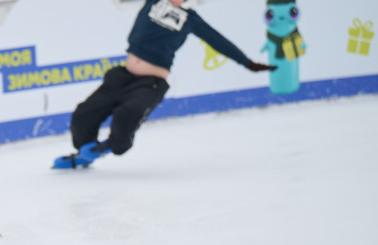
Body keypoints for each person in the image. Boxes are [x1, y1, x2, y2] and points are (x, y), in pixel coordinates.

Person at [54, 0, 276, 169]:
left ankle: (109, 147)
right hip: (122, 76)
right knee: (83, 115)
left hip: (150, 83)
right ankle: (84, 154)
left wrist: (248, 63)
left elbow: (219, 42)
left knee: (128, 112)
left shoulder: (190, 20)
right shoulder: (152, 1)